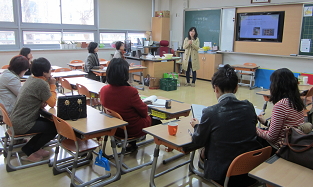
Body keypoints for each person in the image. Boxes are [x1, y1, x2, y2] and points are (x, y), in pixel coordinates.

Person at [190, 64, 262, 187]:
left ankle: (200, 168)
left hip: (224, 176)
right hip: (250, 171)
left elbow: (198, 140)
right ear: (236, 88)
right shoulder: (249, 107)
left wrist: (197, 126)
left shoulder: (210, 112)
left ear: (216, 88)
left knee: (204, 147)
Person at [10, 57, 57, 162]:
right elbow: (53, 103)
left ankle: (35, 148)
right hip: (23, 123)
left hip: (17, 119)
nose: (51, 71)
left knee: (50, 122)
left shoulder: (32, 78)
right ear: (44, 73)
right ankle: (29, 150)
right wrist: (53, 85)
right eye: (50, 70)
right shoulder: (42, 83)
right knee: (54, 128)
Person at [99, 58, 151, 153]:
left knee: (131, 114)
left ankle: (132, 145)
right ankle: (163, 146)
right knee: (156, 120)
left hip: (114, 128)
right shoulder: (130, 91)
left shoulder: (103, 90)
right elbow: (144, 112)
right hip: (130, 129)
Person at [257, 68, 305, 149]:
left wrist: (254, 129)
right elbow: (285, 127)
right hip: (293, 141)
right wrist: (265, 122)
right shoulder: (296, 101)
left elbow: (271, 137)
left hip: (280, 147)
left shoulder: (281, 105)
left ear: (277, 85)